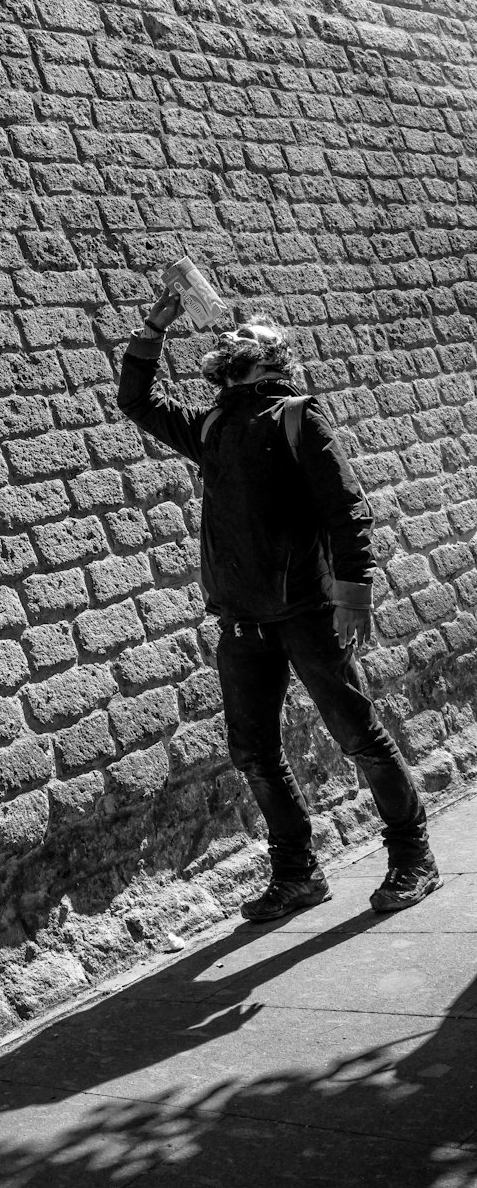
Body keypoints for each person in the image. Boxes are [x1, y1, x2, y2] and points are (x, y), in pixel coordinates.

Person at [117, 285, 440, 921]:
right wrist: (155, 324)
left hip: (307, 611)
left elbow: (347, 512)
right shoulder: (214, 424)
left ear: (270, 358)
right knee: (254, 753)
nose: (230, 341)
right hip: (241, 618)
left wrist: (354, 596)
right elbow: (137, 400)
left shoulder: (298, 416)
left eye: (247, 338)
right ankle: (297, 873)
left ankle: (413, 857)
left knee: (358, 736)